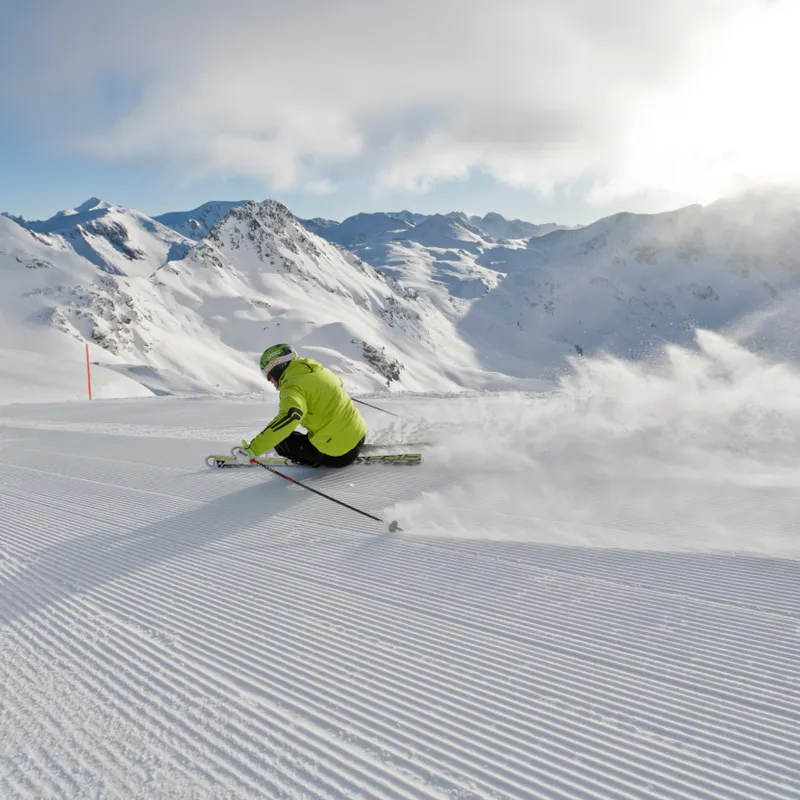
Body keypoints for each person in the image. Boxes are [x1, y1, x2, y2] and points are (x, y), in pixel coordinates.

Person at [239, 343, 367, 467]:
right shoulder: (319, 370)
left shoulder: (292, 387)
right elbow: (339, 384)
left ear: (277, 367)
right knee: (299, 436)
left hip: (339, 455)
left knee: (282, 443)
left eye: (268, 375)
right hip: (360, 435)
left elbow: (291, 416)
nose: (269, 380)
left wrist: (253, 450)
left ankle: (315, 461)